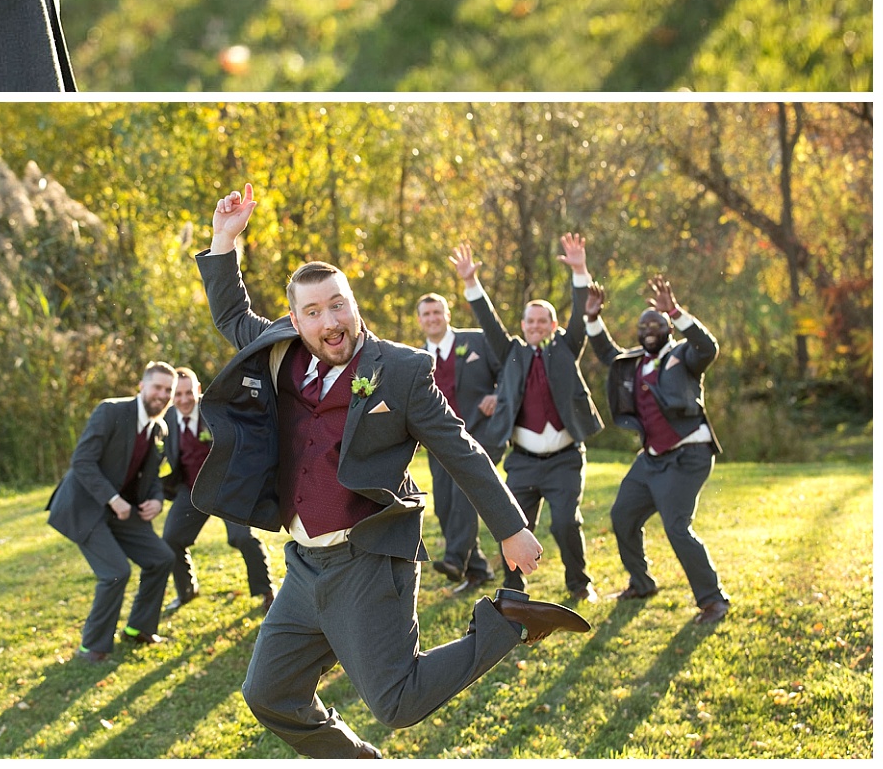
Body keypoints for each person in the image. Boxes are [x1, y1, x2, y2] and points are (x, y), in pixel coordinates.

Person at [195, 186, 585, 759]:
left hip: (368, 559)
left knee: (396, 703)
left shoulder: (400, 370)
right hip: (303, 564)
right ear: (296, 319)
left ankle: (505, 621)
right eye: (312, 311)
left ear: (353, 303)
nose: (330, 321)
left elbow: (459, 449)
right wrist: (223, 240)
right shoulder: (279, 353)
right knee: (269, 693)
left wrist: (510, 527)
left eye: (338, 304)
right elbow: (231, 314)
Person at [567, 237, 729, 624]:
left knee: (676, 526)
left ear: (668, 326)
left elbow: (707, 347)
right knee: (623, 516)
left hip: (689, 454)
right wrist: (592, 317)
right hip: (652, 458)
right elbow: (608, 352)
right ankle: (641, 582)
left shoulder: (683, 356)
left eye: (657, 322)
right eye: (643, 325)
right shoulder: (634, 361)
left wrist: (676, 310)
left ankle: (713, 600)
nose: (649, 329)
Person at [453, 234, 602, 603]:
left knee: (566, 522)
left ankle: (579, 584)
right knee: (514, 526)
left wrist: (580, 271)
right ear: (522, 325)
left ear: (552, 326)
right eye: (530, 321)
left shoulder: (566, 349)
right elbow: (488, 322)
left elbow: (578, 317)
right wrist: (471, 282)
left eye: (543, 321)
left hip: (565, 459)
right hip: (522, 462)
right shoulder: (511, 354)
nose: (536, 325)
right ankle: (515, 594)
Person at [46, 362, 178, 659]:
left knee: (161, 558)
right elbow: (82, 461)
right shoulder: (111, 411)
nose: (162, 394)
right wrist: (113, 499)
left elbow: (156, 475)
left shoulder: (160, 428)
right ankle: (90, 647)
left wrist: (156, 499)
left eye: (167, 391)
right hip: (85, 507)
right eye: (157, 387)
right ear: (142, 386)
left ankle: (138, 628)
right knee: (116, 572)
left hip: (122, 510)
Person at [160, 363, 275, 614]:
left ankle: (267, 592)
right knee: (170, 539)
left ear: (198, 389)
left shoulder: (216, 409)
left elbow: (246, 437)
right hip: (191, 489)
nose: (183, 399)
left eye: (188, 392)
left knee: (242, 537)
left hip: (227, 487)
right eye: (177, 394)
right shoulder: (166, 418)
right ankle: (187, 590)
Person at [413, 277, 502, 590]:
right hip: (439, 441)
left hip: (480, 432)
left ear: (447, 314)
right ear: (420, 320)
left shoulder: (476, 341)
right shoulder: (416, 358)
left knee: (465, 495)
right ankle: (478, 569)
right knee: (445, 506)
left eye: (437, 312)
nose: (433, 318)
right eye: (427, 314)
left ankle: (454, 559)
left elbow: (508, 369)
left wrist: (498, 395)